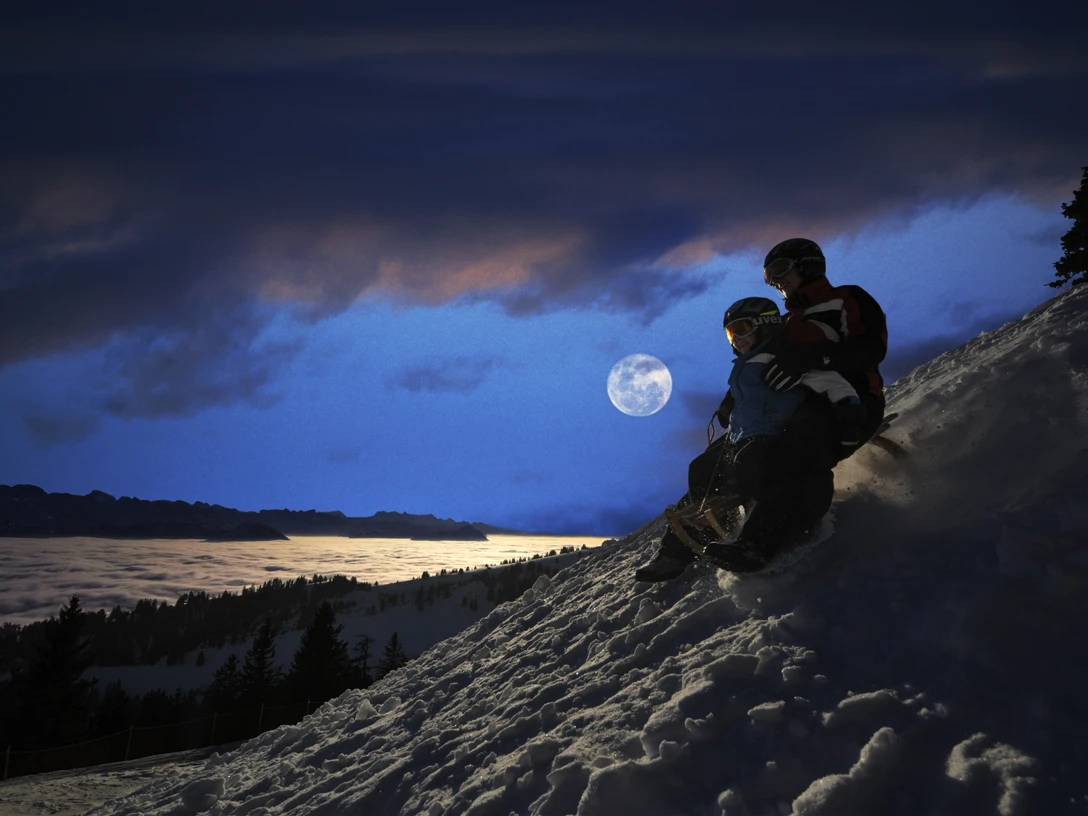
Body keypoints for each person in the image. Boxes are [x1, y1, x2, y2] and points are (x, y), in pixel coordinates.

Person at [634, 297, 864, 582]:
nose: (737, 339)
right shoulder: (745, 364)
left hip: (772, 433)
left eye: (742, 329)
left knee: (754, 468)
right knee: (701, 470)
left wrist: (848, 407)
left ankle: (755, 544)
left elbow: (828, 380)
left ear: (766, 325)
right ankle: (676, 550)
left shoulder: (785, 356)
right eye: (732, 333)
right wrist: (728, 404)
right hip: (741, 435)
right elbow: (746, 393)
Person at [760, 238, 888, 451]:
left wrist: (816, 357)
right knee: (715, 462)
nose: (775, 281)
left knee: (792, 446)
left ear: (806, 264)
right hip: (795, 406)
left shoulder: (846, 298)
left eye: (780, 269)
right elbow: (763, 361)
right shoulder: (785, 323)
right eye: (769, 277)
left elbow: (871, 347)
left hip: (855, 402)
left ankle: (805, 482)